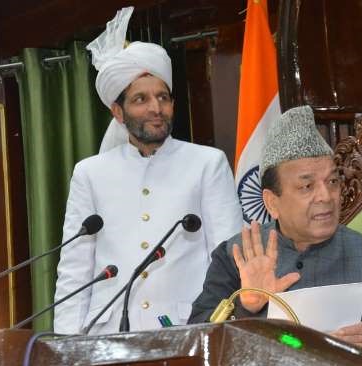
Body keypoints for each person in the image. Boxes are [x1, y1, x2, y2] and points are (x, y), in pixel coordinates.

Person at [53, 7, 243, 335]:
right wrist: (66, 347)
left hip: (187, 331)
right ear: (118, 112)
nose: (156, 108)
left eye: (163, 97)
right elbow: (75, 270)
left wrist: (217, 330)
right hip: (108, 335)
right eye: (141, 99)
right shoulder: (90, 174)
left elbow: (228, 257)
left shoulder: (207, 164)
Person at [188, 105, 362, 347]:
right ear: (272, 202)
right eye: (307, 186)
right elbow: (196, 341)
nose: (326, 196)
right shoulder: (235, 258)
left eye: (332, 181)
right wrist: (245, 306)